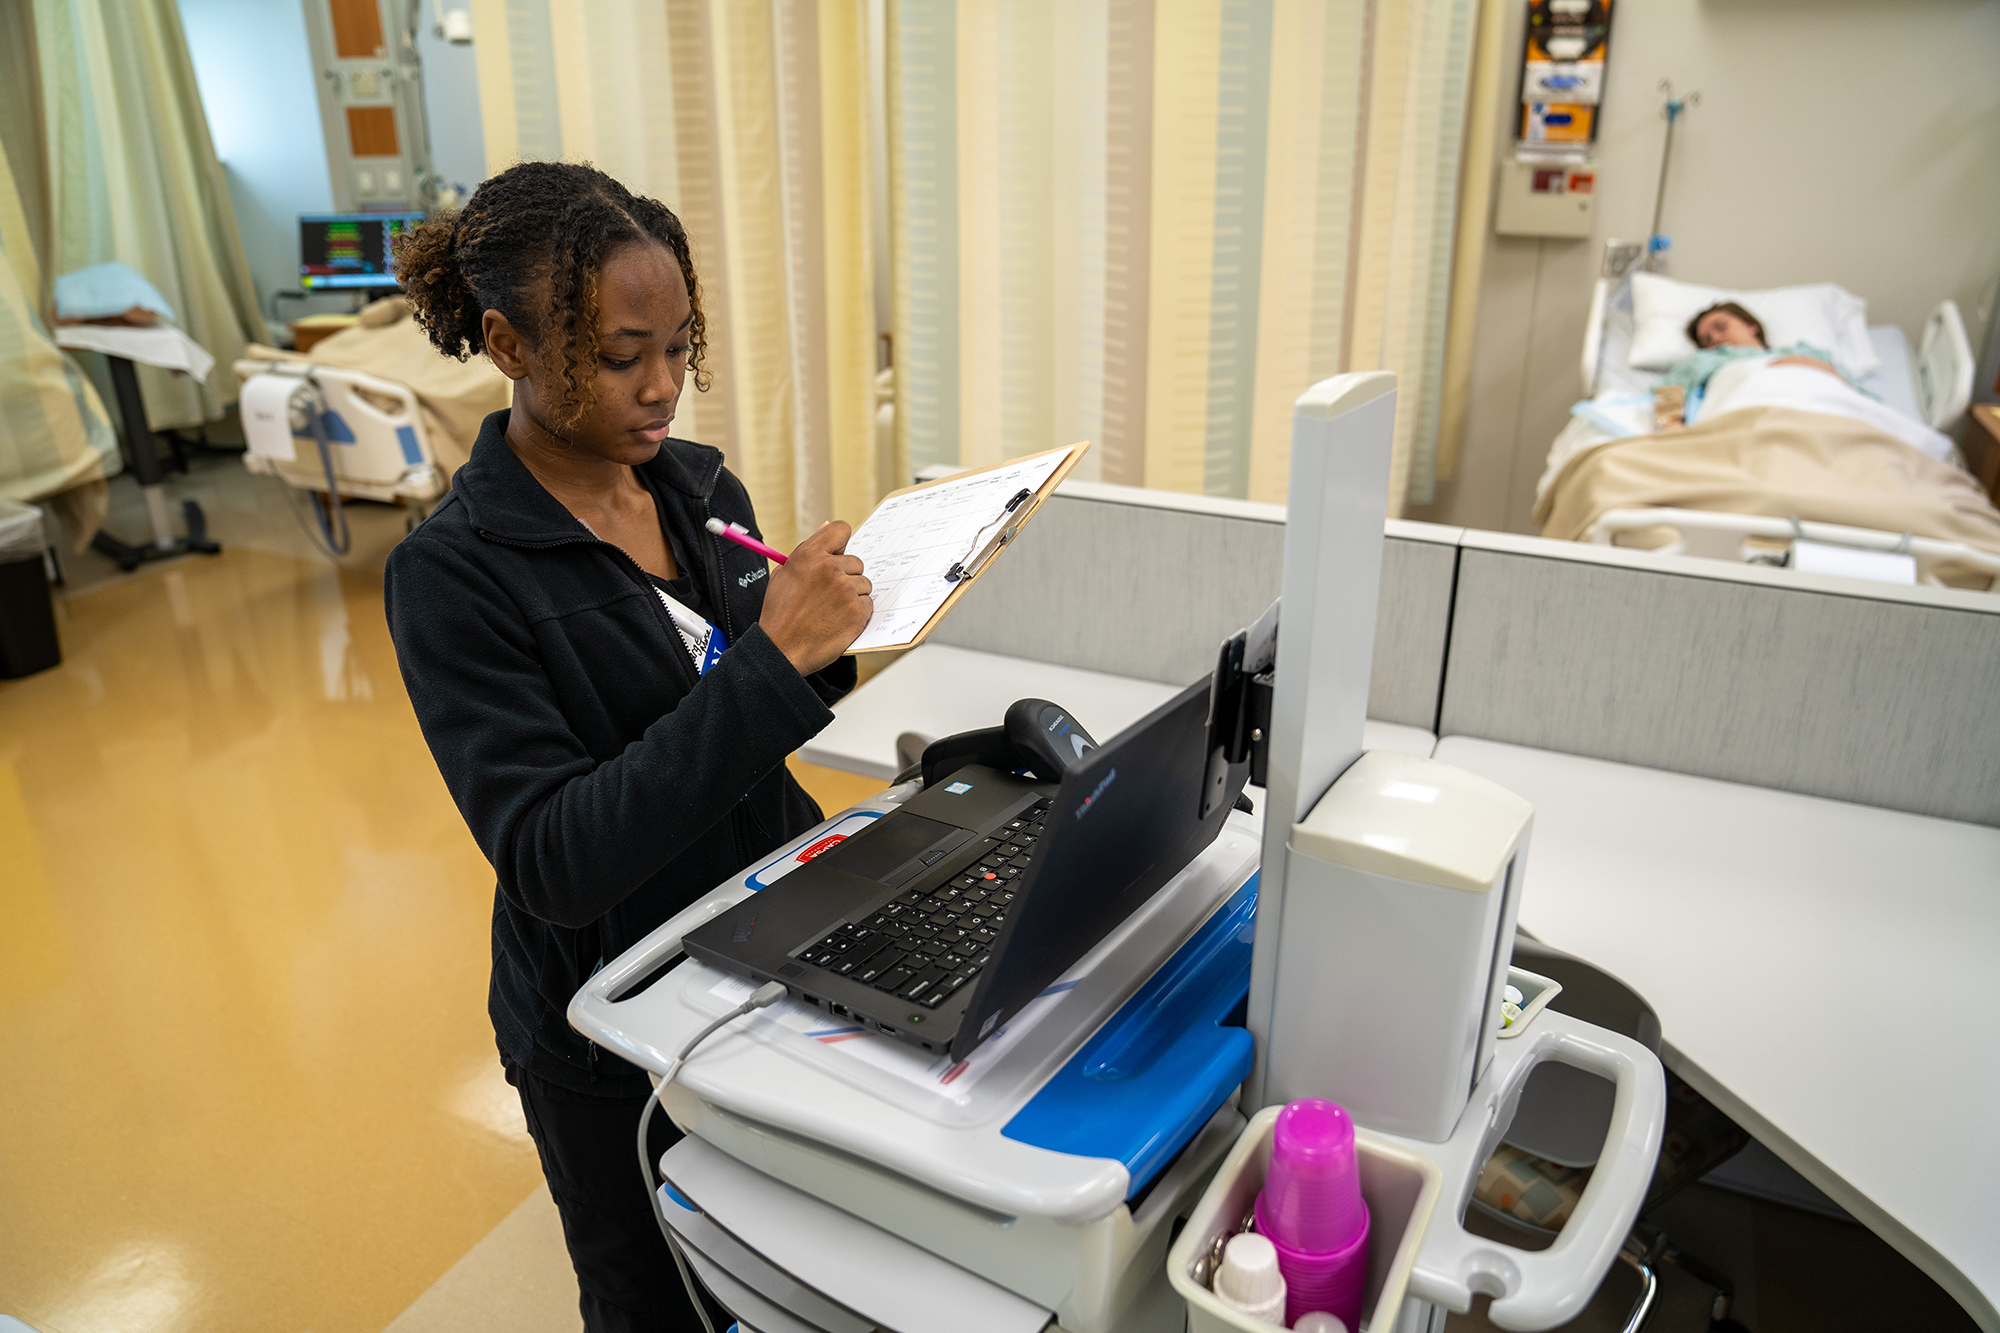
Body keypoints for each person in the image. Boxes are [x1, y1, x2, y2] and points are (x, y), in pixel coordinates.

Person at [384, 161, 873, 1331]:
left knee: (777, 1272)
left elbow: (736, 691)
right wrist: (771, 661)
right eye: (618, 356)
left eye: (678, 344)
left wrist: (827, 625)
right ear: (507, 342)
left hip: (760, 945)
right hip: (606, 1017)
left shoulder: (695, 487)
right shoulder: (455, 574)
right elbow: (554, 858)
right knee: (649, 1295)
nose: (662, 389)